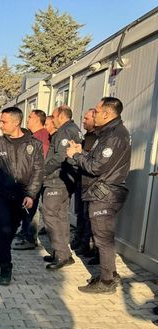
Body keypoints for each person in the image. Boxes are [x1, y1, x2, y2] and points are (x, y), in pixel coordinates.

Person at [66, 97, 131, 293]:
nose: (93, 114)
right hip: (101, 192)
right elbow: (95, 159)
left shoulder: (114, 136)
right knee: (103, 237)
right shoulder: (108, 133)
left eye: (96, 110)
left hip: (104, 194)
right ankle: (109, 274)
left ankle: (107, 282)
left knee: (103, 239)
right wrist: (81, 152)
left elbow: (96, 166)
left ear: (107, 114)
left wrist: (76, 155)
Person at [0, 107, 44, 286]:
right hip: (1, 195)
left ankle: (2, 249)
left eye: (4, 121)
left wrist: (31, 194)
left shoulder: (34, 144)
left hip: (23, 196)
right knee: (4, 228)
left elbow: (38, 172)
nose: (0, 124)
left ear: (16, 122)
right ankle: (6, 266)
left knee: (12, 228)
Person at [42, 105, 82, 270]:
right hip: (65, 180)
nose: (52, 119)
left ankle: (62, 254)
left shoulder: (65, 131)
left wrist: (43, 171)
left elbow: (60, 156)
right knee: (61, 216)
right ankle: (63, 252)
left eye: (53, 116)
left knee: (49, 214)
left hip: (57, 180)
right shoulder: (74, 128)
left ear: (60, 116)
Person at [13, 110, 50, 250]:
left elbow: (41, 161)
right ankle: (25, 233)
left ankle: (30, 238)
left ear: (37, 119)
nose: (27, 119)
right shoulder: (33, 136)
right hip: (27, 180)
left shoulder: (42, 136)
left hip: (34, 180)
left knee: (32, 210)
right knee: (27, 209)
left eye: (30, 117)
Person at [72, 108, 98, 260]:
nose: (84, 121)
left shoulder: (98, 138)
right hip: (80, 180)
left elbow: (91, 160)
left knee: (89, 216)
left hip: (91, 184)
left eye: (87, 119)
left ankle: (88, 246)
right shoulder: (86, 136)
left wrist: (79, 153)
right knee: (80, 213)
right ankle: (80, 240)